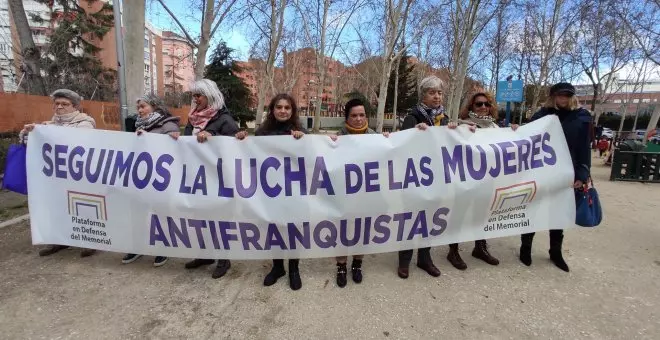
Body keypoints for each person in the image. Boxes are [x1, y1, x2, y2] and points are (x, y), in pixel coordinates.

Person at [235, 93, 306, 291]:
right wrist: (241, 139)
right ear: (272, 110)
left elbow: (312, 156)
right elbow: (251, 156)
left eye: (287, 108)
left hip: (294, 191)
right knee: (274, 229)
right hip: (271, 192)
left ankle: (293, 269)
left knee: (293, 230)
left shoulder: (300, 131)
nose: (283, 111)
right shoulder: (262, 133)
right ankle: (277, 267)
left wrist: (303, 140)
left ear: (292, 111)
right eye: (279, 107)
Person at [519, 82, 591, 272]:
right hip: (540, 171)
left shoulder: (582, 117)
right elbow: (526, 138)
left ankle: (555, 252)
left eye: (567, 95)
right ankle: (525, 248)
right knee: (532, 208)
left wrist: (583, 173)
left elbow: (584, 147)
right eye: (559, 95)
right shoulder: (541, 115)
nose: (563, 98)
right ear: (553, 96)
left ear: (572, 96)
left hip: (566, 171)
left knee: (558, 211)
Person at [445, 91, 518, 270]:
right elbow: (447, 143)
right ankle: (453, 250)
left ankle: (480, 247)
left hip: (487, 180)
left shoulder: (495, 128)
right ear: (471, 107)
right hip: (465, 180)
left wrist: (516, 131)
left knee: (482, 213)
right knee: (459, 214)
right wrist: (452, 128)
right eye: (479, 104)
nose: (483, 107)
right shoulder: (462, 127)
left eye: (486, 104)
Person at [20, 89, 97, 258]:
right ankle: (60, 239)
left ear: (75, 106)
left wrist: (48, 132)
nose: (60, 107)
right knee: (57, 207)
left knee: (82, 207)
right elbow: (31, 145)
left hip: (79, 175)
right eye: (57, 104)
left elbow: (78, 141)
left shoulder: (85, 122)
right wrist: (29, 133)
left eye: (65, 104)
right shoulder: (48, 125)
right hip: (56, 177)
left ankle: (89, 240)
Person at [181, 79, 240, 279]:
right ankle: (205, 255)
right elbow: (186, 144)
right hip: (197, 178)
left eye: (199, 95)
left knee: (219, 219)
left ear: (210, 96)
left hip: (219, 178)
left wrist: (212, 137)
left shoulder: (225, 119)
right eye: (193, 96)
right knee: (200, 218)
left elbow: (236, 148)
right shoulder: (192, 119)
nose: (195, 99)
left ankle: (224, 259)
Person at [328, 98, 389, 288]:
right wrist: (328, 145)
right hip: (344, 195)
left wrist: (389, 142)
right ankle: (341, 265)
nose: (358, 119)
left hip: (367, 194)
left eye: (362, 115)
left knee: (362, 230)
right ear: (347, 117)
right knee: (342, 231)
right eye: (354, 115)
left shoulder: (375, 137)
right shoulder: (337, 138)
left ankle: (357, 264)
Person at [396, 75, 447, 279]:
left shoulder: (444, 119)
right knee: (410, 219)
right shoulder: (413, 117)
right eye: (432, 92)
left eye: (440, 92)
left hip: (435, 178)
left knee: (430, 219)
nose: (436, 96)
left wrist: (459, 131)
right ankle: (404, 260)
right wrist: (417, 133)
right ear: (423, 95)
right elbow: (403, 146)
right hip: (413, 178)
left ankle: (425, 258)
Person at [122, 94, 180, 267]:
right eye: (138, 107)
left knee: (161, 213)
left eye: (144, 106)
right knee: (138, 212)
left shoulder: (168, 124)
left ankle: (164, 248)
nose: (140, 110)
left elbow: (173, 149)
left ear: (155, 106)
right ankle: (138, 246)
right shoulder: (137, 125)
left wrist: (150, 138)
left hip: (161, 179)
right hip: (140, 177)